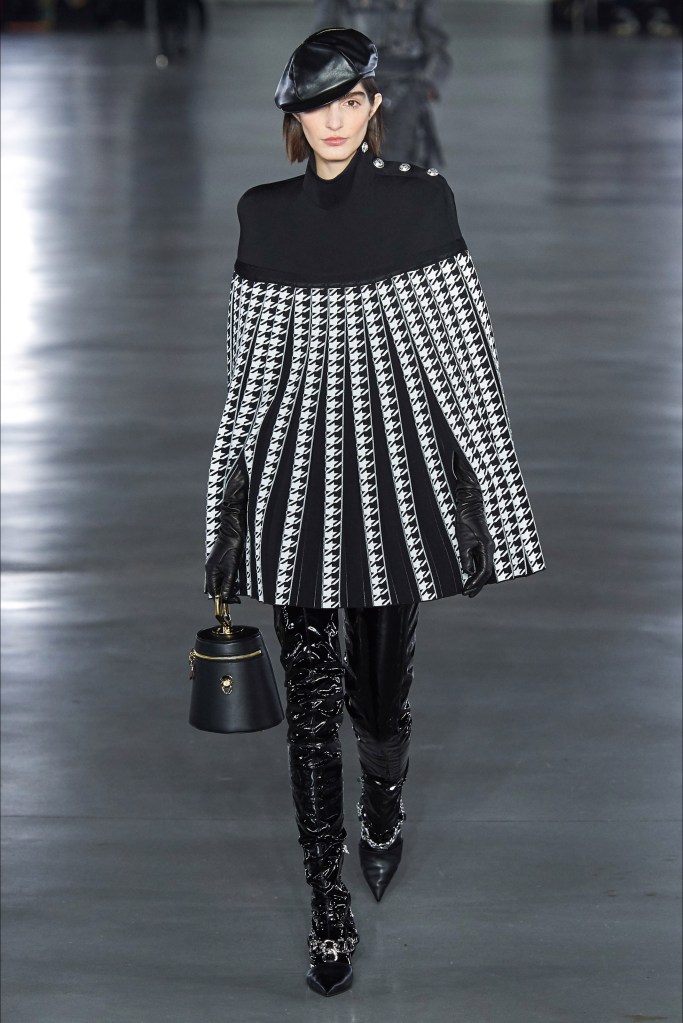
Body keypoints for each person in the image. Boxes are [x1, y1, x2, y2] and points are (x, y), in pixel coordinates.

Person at [204, 28, 545, 998]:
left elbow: (465, 360)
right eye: (317, 105)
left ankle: (382, 805)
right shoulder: (262, 215)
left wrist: (484, 497)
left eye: (350, 101)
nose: (335, 120)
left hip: (390, 488)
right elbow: (247, 380)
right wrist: (226, 515)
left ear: (372, 107)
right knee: (309, 709)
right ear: (294, 117)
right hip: (294, 485)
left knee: (378, 698)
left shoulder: (420, 203)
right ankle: (327, 910)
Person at [314, 0, 451, 165]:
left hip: (406, 84)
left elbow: (435, 44)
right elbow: (324, 38)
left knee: (399, 161)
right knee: (353, 161)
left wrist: (427, 84)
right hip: (355, 82)